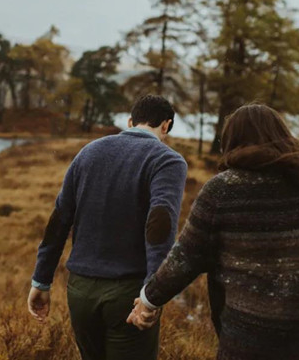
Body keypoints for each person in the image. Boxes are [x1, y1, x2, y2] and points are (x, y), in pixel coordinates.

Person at [127, 103, 299, 360]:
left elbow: (185, 258)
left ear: (231, 142)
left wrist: (148, 300)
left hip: (251, 344)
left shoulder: (222, 191)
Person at [28, 94, 188, 360]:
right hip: (129, 294)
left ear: (130, 121)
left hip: (80, 292)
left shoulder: (88, 152)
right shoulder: (167, 160)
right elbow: (160, 222)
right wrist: (152, 293)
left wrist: (41, 281)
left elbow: (60, 218)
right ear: (166, 126)